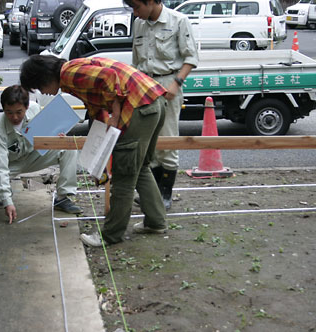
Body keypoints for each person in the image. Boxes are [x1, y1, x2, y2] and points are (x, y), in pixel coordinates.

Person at [20, 55, 168, 247]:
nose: (43, 93)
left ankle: (110, 235)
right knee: (140, 167)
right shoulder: (74, 71)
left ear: (44, 77)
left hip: (137, 107)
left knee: (124, 177)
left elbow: (108, 77)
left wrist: (115, 114)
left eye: (39, 87)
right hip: (152, 102)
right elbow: (96, 111)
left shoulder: (68, 73)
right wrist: (97, 159)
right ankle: (156, 222)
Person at [124, 0, 199, 210]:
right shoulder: (139, 23)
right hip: (144, 86)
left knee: (168, 141)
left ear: (151, 2)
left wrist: (176, 83)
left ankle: (165, 195)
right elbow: (136, 61)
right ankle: (153, 194)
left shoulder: (179, 21)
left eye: (137, 7)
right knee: (149, 144)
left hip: (168, 84)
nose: (135, 13)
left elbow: (191, 58)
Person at [0, 85, 82, 224]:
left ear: (26, 107)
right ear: (3, 109)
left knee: (67, 147)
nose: (14, 117)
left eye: (19, 112)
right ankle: (1, 198)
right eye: (9, 112)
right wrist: (7, 201)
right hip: (11, 164)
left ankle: (62, 198)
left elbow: (47, 130)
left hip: (34, 155)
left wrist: (57, 136)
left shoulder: (34, 109)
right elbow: (0, 165)